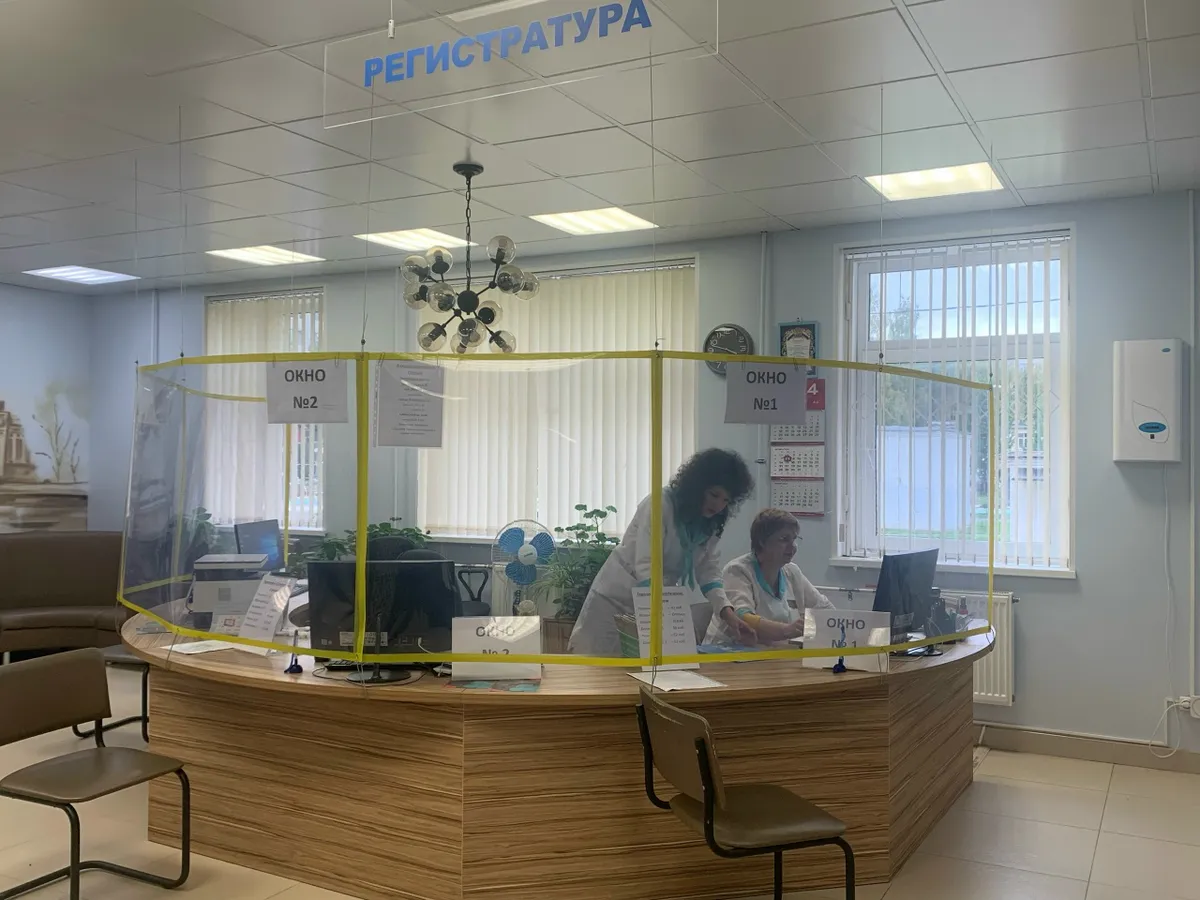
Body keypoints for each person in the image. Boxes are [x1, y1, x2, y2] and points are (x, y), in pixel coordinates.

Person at [568, 448, 755, 657]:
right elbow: (645, 564)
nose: (718, 505)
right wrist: (661, 608)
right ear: (697, 487)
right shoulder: (660, 504)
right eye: (714, 495)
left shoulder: (711, 522)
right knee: (596, 662)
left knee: (648, 666)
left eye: (726, 500)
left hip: (657, 599)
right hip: (616, 597)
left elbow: (708, 569)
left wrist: (727, 612)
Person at [705, 508, 834, 646]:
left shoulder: (792, 572)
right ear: (762, 541)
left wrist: (834, 622)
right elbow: (743, 619)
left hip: (773, 653)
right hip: (727, 652)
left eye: (794, 539)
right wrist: (787, 630)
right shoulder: (737, 570)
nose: (792, 546)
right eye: (784, 539)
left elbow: (825, 609)